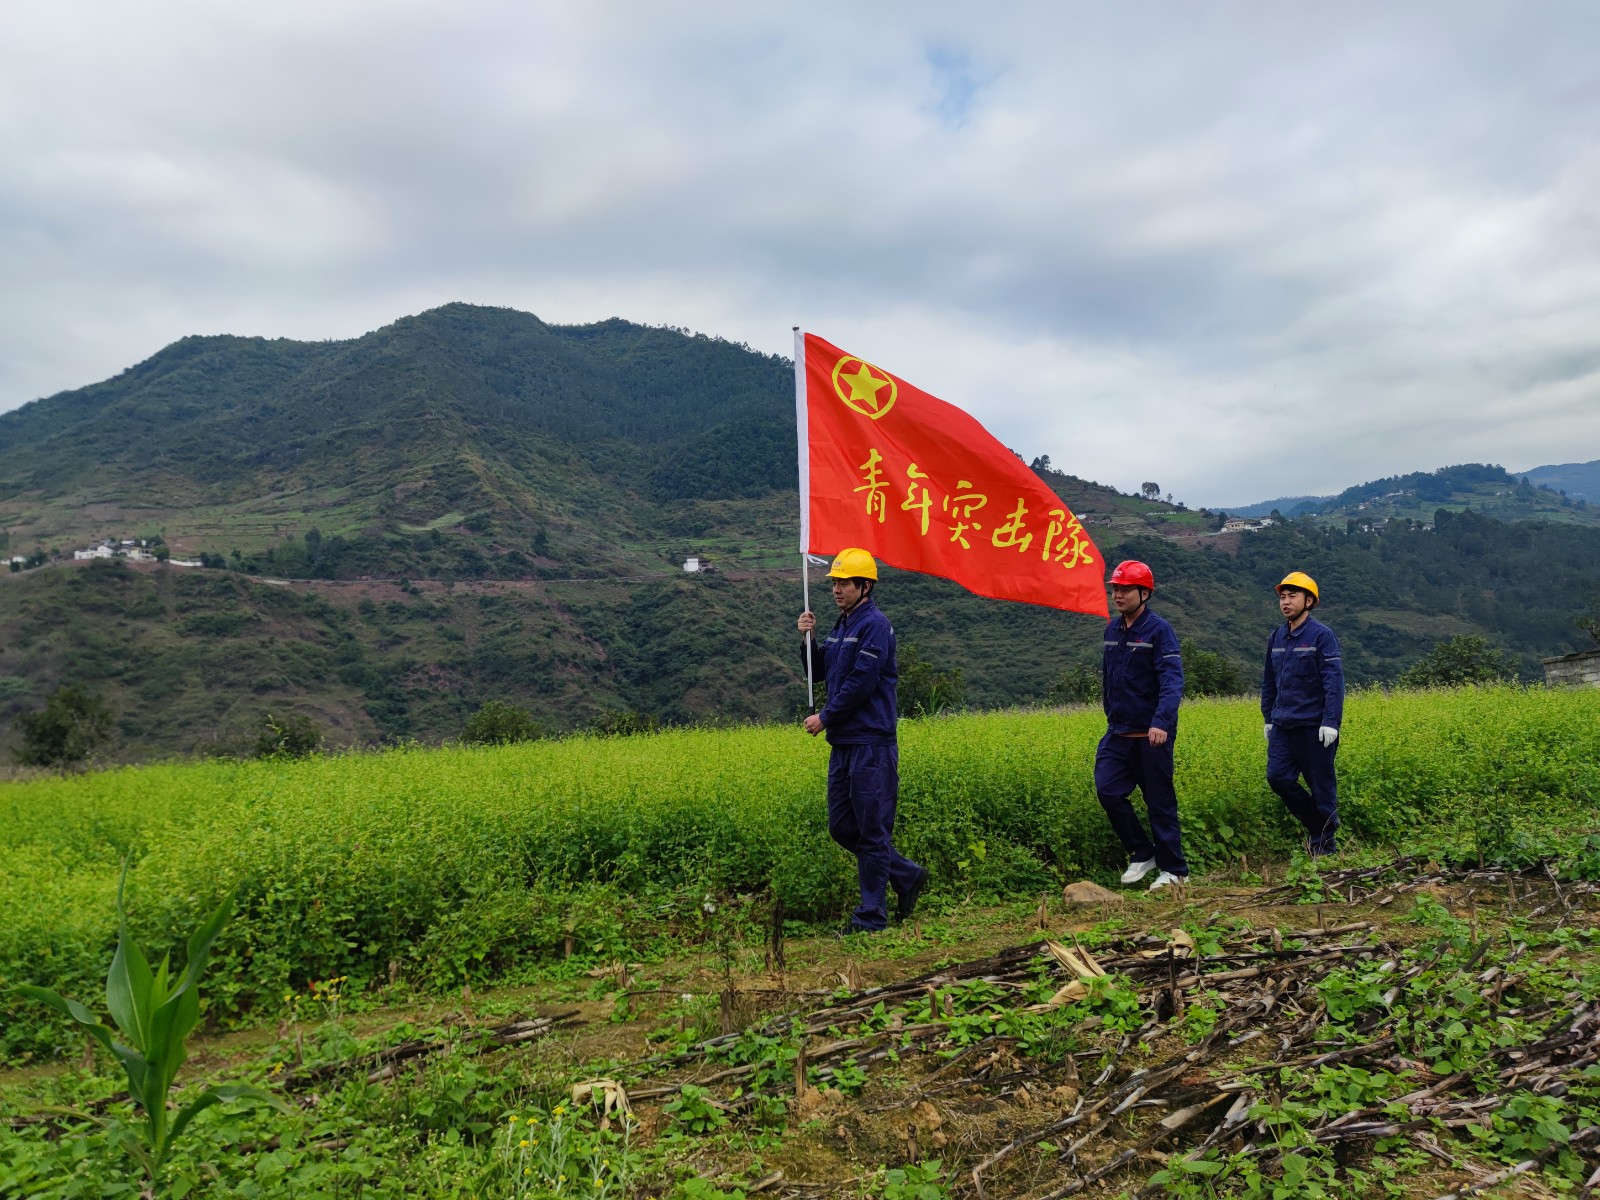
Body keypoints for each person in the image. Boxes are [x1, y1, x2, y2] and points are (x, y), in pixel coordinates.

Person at [798, 548, 929, 933]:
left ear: (865, 586)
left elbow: (861, 683)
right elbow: (820, 672)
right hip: (844, 743)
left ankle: (871, 917)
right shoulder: (842, 625)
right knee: (841, 826)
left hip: (871, 741)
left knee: (872, 831)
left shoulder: (874, 625)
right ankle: (906, 874)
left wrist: (825, 717)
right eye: (835, 583)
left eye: (845, 583)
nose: (837, 589)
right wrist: (807, 640)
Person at [1096, 560, 1189, 890]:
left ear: (1144, 593)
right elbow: (1108, 678)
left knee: (1159, 802)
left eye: (1125, 589)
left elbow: (1172, 680)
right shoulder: (1112, 630)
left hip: (1152, 734)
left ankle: (1174, 870)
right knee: (1108, 790)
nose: (1118, 595)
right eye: (1115, 589)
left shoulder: (1159, 631)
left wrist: (1161, 721)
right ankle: (1142, 852)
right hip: (1119, 731)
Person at [1262, 571, 1344, 855]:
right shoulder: (1277, 636)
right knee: (1278, 778)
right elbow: (1269, 681)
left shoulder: (1322, 636)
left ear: (1309, 601)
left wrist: (1331, 721)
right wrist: (1268, 718)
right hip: (1283, 726)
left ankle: (1325, 847)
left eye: (1292, 596)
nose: (1285, 602)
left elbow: (1334, 682)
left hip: (1314, 726)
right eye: (1282, 597)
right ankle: (1319, 826)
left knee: (1321, 786)